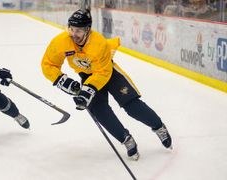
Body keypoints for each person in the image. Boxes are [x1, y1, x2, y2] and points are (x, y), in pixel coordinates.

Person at [41, 9, 172, 160]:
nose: (73, 34)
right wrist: (64, 81)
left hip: (108, 73)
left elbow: (102, 73)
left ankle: (158, 127)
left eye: (78, 30)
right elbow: (48, 64)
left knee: (132, 106)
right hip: (87, 75)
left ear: (88, 30)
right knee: (98, 110)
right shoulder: (61, 41)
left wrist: (87, 90)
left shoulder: (99, 43)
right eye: (71, 29)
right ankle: (125, 139)